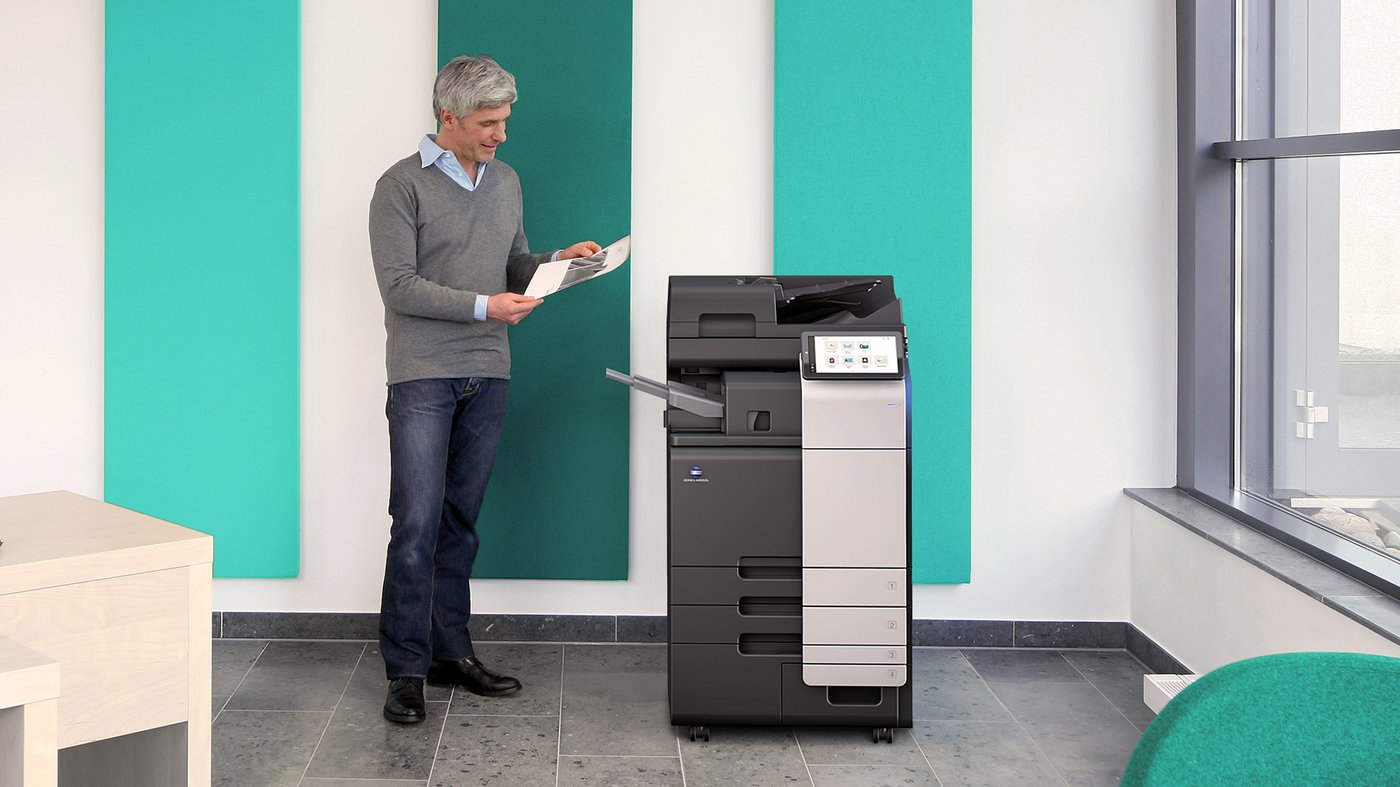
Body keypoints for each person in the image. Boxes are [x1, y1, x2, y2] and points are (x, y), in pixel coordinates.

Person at [368, 54, 601, 725]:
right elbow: (399, 286)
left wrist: (557, 263)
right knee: (414, 523)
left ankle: (451, 651)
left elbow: (514, 264)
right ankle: (406, 670)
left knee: (459, 524)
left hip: (488, 369)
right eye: (487, 122)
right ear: (448, 115)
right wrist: (484, 306)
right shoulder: (399, 187)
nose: (500, 134)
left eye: (504, 121)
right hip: (422, 371)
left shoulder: (505, 181)